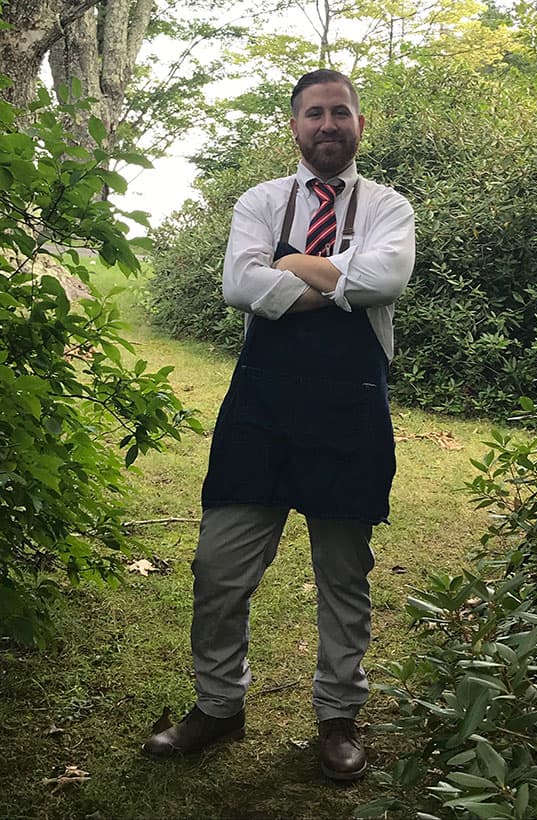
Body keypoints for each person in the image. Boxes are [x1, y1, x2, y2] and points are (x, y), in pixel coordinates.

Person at [142, 69, 415, 781]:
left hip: (350, 411)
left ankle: (337, 717)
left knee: (343, 578)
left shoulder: (389, 206)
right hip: (260, 412)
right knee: (218, 569)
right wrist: (337, 279)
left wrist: (290, 265)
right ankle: (218, 706)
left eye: (340, 113)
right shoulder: (259, 200)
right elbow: (241, 285)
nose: (328, 125)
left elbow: (384, 281)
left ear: (360, 124)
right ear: (292, 126)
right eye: (314, 114)